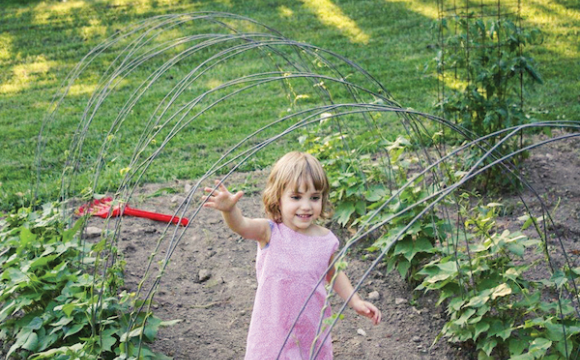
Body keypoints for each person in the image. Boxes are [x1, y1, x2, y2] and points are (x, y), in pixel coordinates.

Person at [202, 151, 381, 360]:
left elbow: (333, 272)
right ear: (278, 198)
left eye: (314, 198)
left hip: (310, 326)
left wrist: (355, 300)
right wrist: (229, 211)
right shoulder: (269, 231)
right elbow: (241, 226)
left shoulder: (325, 239)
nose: (306, 206)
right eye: (296, 197)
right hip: (273, 329)